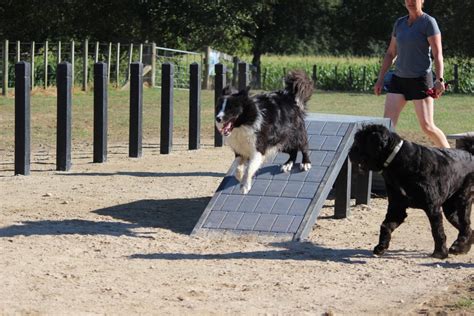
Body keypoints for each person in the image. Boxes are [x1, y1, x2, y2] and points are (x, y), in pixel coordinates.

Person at [374, 0, 450, 148]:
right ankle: (385, 163)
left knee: (427, 127)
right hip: (399, 80)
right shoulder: (399, 23)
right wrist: (380, 78)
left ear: (421, 1)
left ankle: (452, 156)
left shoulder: (428, 22)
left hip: (421, 80)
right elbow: (391, 53)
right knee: (387, 126)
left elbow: (438, 53)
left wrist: (439, 79)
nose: (410, 2)